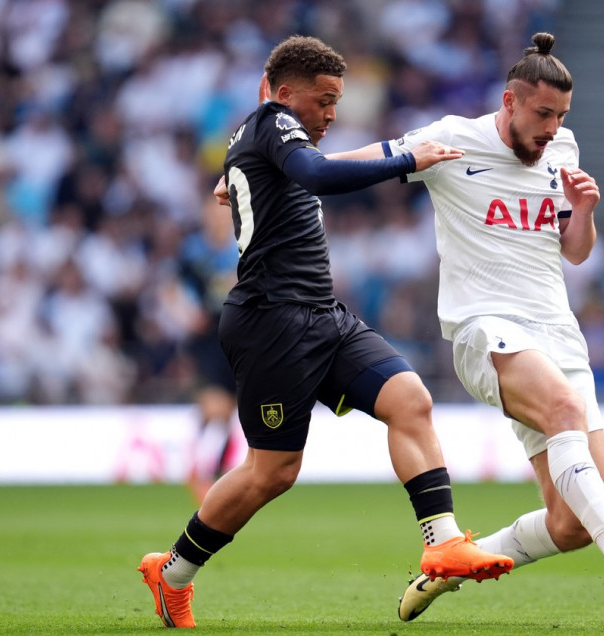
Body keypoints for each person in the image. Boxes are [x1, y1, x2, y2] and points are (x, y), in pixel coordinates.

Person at [138, 35, 513, 629]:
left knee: (410, 398)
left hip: (322, 315)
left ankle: (442, 542)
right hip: (270, 323)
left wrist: (237, 175)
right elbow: (318, 174)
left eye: (337, 100)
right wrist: (405, 163)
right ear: (286, 95)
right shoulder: (274, 124)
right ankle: (174, 571)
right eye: (325, 99)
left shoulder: (266, 140)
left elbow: (300, 170)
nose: (333, 113)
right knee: (273, 473)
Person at [329, 32, 604, 620]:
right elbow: (362, 159)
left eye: (560, 115)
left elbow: (576, 252)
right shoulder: (452, 139)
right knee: (567, 421)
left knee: (568, 523)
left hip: (558, 333)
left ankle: (445, 568)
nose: (551, 128)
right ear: (510, 101)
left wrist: (585, 213)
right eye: (542, 113)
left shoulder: (560, 148)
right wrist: (277, 171)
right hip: (484, 328)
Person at [179, 193, 241, 504]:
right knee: (215, 406)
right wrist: (185, 312)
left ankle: (215, 472)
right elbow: (174, 286)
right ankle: (199, 471)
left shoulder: (240, 249)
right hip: (207, 336)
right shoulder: (193, 251)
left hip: (238, 335)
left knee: (228, 411)